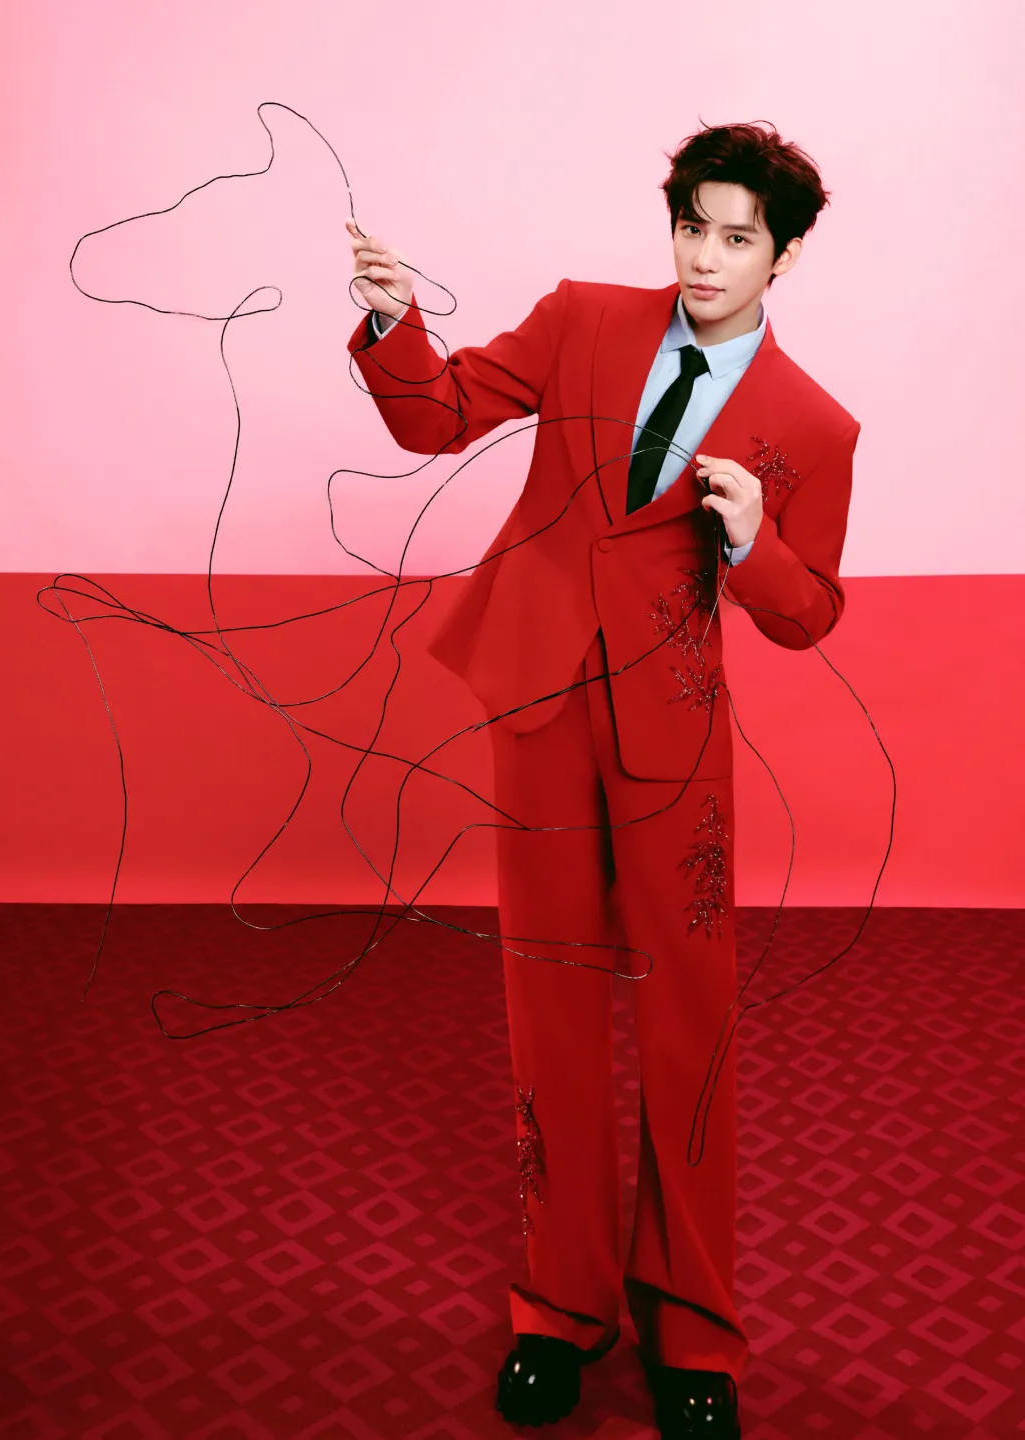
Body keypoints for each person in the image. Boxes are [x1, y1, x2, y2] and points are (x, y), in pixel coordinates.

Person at [344, 120, 860, 1439]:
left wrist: (753, 544)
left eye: (737, 237)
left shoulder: (814, 423)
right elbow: (439, 416)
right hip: (539, 705)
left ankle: (693, 1330)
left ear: (785, 256)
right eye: (692, 227)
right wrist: (395, 324)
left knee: (691, 1027)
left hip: (673, 743)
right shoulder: (582, 320)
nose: (705, 258)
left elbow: (810, 615)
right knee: (552, 1016)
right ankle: (557, 1310)